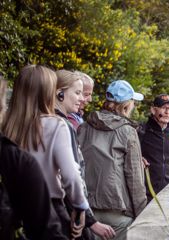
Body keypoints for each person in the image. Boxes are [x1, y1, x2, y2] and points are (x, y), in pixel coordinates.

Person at [2, 65, 89, 239]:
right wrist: (80, 207)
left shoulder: (6, 125)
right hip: (49, 209)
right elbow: (71, 175)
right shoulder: (56, 125)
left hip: (11, 209)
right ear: (51, 92)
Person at [78, 80, 147, 240]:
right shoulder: (128, 132)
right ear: (126, 106)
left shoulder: (84, 127)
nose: (134, 106)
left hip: (86, 212)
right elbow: (135, 179)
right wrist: (143, 216)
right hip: (117, 214)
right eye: (133, 103)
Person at [55, 69, 115, 240]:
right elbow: (72, 175)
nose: (83, 99)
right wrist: (86, 215)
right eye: (78, 93)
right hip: (65, 208)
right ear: (60, 93)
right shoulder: (63, 125)